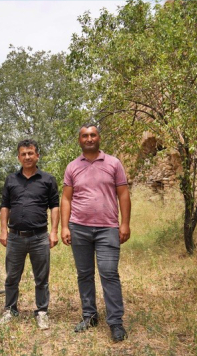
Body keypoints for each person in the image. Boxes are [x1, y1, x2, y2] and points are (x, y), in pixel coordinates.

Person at [60, 124, 131, 342]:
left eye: (93, 135)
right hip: (79, 228)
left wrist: (125, 224)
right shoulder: (72, 167)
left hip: (107, 228)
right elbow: (66, 198)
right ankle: (89, 315)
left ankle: (116, 322)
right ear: (79, 140)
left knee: (109, 273)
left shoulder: (113, 163)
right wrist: (64, 226)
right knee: (84, 274)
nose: (89, 139)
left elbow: (123, 194)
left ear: (99, 138)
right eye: (85, 136)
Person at [0, 139, 60, 330]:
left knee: (41, 278)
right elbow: (5, 206)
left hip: (40, 237)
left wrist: (54, 231)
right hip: (15, 237)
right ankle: (10, 309)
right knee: (11, 277)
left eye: (30, 153)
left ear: (37, 155)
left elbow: (55, 206)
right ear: (18, 157)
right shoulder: (11, 179)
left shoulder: (47, 180)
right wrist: (3, 229)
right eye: (23, 154)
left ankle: (42, 312)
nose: (27, 157)